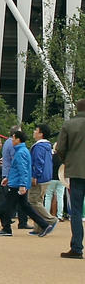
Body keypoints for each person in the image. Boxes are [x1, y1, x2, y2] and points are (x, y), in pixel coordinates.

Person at [55, 100, 85, 259]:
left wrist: (67, 160)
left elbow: (60, 148)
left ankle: (77, 247)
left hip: (76, 171)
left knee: (76, 211)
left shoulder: (69, 125)